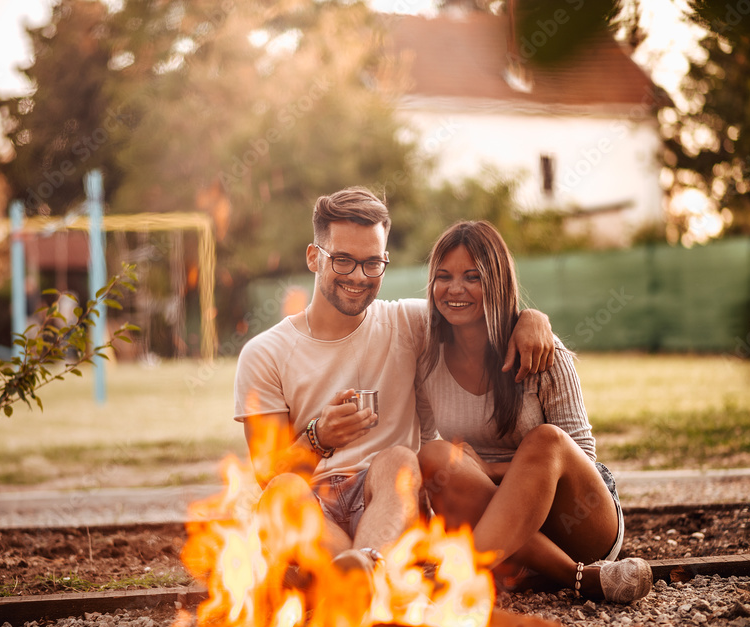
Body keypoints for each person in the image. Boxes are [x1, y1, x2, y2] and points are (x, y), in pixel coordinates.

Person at [233, 188, 555, 578]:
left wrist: (531, 318)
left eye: (372, 264)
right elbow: (269, 474)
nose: (358, 276)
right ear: (314, 257)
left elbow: (476, 309)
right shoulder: (264, 353)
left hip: (389, 502)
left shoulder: (409, 322)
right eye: (344, 261)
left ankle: (358, 574)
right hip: (314, 507)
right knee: (281, 492)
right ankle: (367, 577)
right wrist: (320, 437)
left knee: (399, 459)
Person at [417, 220, 652, 603]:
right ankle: (577, 578)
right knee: (434, 455)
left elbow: (582, 460)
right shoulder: (428, 357)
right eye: (443, 276)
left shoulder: (542, 351)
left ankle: (456, 579)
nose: (454, 289)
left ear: (497, 283)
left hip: (576, 522)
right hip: (497, 523)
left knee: (546, 440)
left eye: (472, 277)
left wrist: (491, 470)